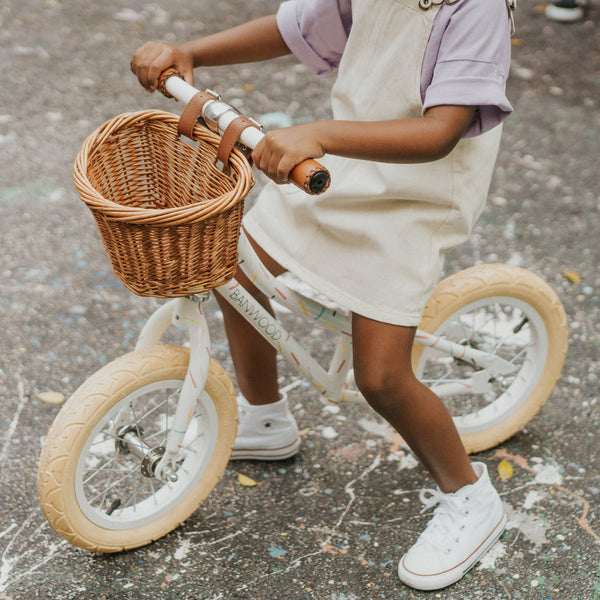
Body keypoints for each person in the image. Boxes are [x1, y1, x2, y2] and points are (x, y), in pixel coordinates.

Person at [131, 0, 514, 590]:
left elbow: (440, 132)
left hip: (414, 202)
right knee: (234, 268)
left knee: (382, 378)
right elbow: (298, 26)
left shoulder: (476, 10)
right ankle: (264, 418)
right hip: (337, 170)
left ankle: (471, 496)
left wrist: (319, 132)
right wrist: (193, 53)